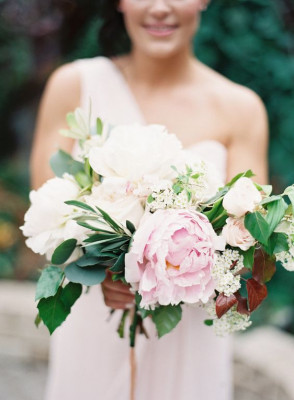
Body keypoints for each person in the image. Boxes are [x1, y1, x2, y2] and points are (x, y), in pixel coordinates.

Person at [31, 0, 268, 399]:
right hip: (95, 322)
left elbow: (251, 241)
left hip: (189, 331)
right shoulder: (74, 86)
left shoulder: (240, 109)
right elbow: (46, 209)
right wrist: (105, 270)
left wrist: (174, 268)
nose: (159, 8)